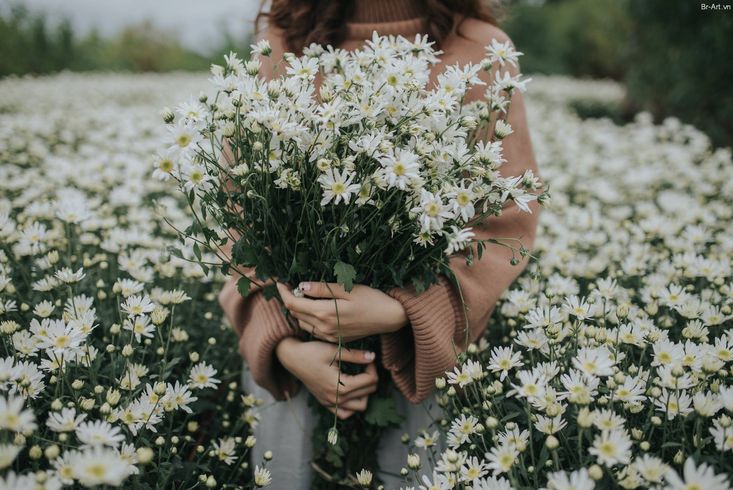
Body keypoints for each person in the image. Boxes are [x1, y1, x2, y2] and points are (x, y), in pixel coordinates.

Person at [218, 0, 540, 487]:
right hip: (295, 357)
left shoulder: (480, 48)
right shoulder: (285, 42)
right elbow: (239, 224)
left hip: (427, 356)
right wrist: (283, 344)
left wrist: (403, 313)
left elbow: (504, 228)